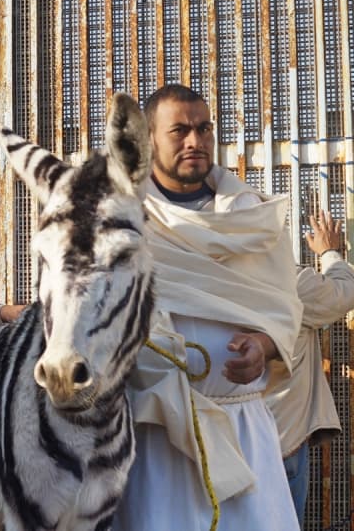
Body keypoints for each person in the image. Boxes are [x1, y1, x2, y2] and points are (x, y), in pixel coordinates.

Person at [113, 84, 303, 530]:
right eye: (179, 130)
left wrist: (263, 345)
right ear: (148, 140)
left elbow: (285, 309)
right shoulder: (123, 219)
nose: (195, 141)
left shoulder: (251, 216)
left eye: (203, 129)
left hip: (244, 432)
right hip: (159, 436)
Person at [265, 209, 354, 522]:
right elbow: (344, 292)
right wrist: (330, 252)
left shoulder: (205, 280)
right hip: (282, 443)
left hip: (219, 445)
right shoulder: (289, 283)